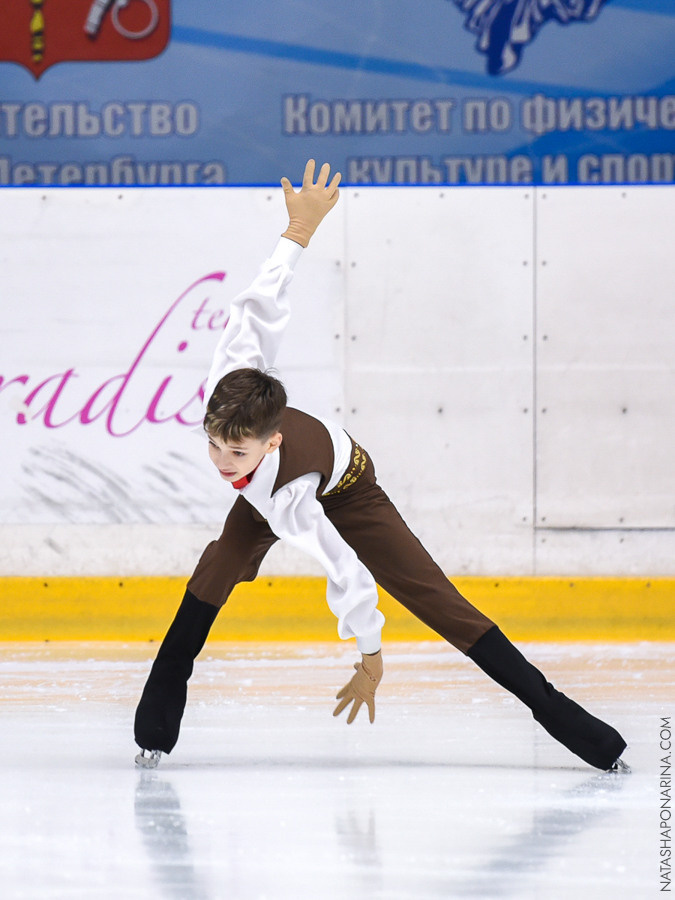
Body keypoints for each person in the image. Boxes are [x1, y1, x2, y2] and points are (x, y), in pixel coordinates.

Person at [134, 159, 629, 773]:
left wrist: (370, 657)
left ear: (271, 441)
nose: (220, 463)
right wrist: (298, 231)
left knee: (439, 602)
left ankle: (586, 736)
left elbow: (347, 573)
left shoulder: (288, 499)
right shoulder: (229, 383)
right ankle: (153, 731)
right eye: (213, 445)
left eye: (236, 453)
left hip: (346, 490)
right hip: (276, 486)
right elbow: (260, 303)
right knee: (213, 573)